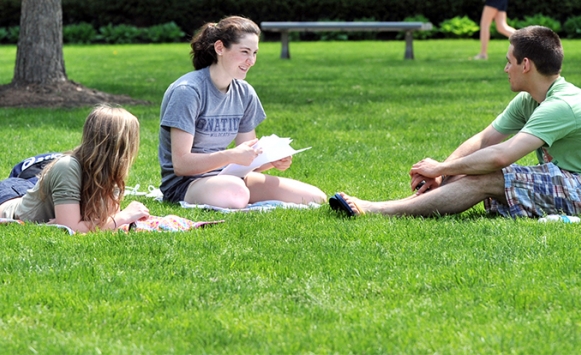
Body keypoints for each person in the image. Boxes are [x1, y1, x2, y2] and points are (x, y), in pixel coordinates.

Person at [332, 26, 581, 219]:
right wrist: (445, 173)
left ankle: (376, 210)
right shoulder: (529, 100)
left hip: (577, 187)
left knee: (491, 175)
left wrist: (439, 169)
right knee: (472, 171)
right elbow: (484, 140)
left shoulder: (561, 106)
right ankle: (386, 206)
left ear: (525, 65)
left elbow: (500, 157)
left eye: (509, 61)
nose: (505, 69)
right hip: (562, 180)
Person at [158, 15, 326, 208]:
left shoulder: (244, 92)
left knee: (314, 197)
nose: (251, 60)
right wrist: (230, 155)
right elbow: (182, 165)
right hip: (186, 184)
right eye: (245, 52)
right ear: (220, 48)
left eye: (254, 53)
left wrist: (272, 161)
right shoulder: (188, 91)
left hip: (230, 177)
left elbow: (246, 158)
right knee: (236, 194)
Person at [0, 104, 150, 232]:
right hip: (8, 201)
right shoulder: (67, 167)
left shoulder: (112, 171)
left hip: (33, 190)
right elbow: (70, 227)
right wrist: (126, 216)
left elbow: (106, 219)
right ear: (123, 145)